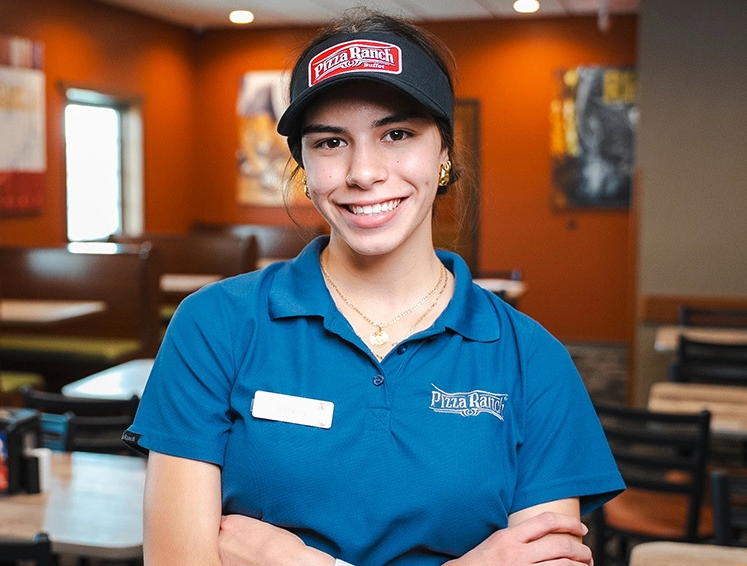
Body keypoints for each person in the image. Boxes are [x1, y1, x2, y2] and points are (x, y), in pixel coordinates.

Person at [124, 7, 624, 565]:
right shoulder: (213, 327)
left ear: (444, 155)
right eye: (331, 142)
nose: (364, 171)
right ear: (305, 169)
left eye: (398, 133)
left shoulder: (533, 360)